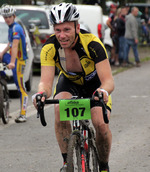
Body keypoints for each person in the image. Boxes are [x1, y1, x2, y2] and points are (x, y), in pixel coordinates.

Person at [32, 3, 114, 172]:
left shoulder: (92, 43)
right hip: (69, 82)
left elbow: (108, 81)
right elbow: (46, 83)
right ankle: (66, 163)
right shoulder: (49, 48)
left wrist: (103, 91)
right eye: (58, 30)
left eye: (67, 29)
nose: (62, 35)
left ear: (77, 27)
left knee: (100, 124)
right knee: (57, 109)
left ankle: (104, 166)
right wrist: (41, 94)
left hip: (95, 84)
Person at [0, 4, 28, 122]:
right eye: (5, 17)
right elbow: (10, 44)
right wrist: (1, 54)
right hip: (13, 58)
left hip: (19, 61)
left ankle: (23, 114)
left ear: (14, 16)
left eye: (9, 17)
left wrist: (12, 62)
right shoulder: (11, 27)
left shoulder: (16, 28)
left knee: (21, 88)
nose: (7, 19)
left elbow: (15, 46)